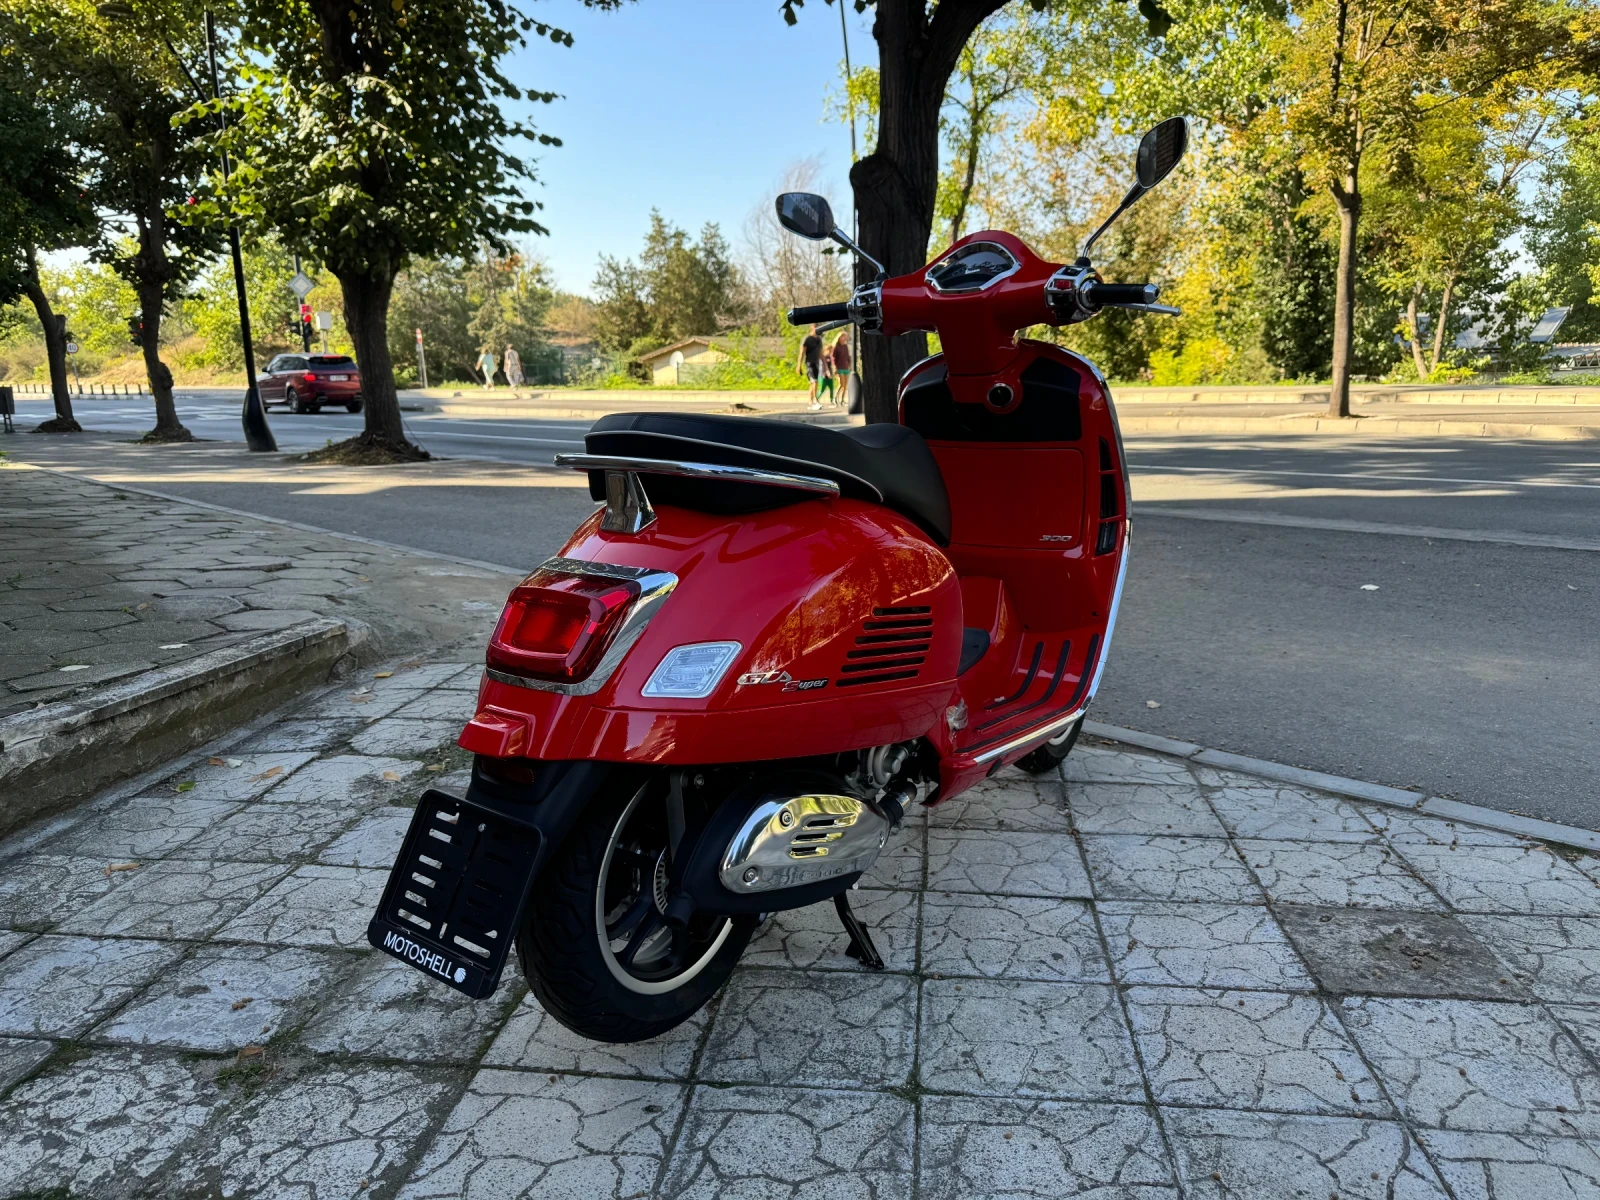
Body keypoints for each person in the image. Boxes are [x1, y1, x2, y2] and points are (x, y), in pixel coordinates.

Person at [798, 324, 823, 410]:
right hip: (809, 363)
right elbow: (802, 353)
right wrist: (799, 365)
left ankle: (810, 401)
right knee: (814, 381)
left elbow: (821, 354)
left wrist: (826, 367)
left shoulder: (819, 340)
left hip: (816, 363)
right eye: (815, 327)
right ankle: (815, 400)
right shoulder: (807, 339)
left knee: (813, 383)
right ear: (811, 328)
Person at [830, 332, 853, 408]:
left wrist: (850, 365)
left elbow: (848, 357)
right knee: (841, 384)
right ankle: (835, 398)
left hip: (845, 367)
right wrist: (834, 367)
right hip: (839, 368)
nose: (844, 338)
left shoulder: (845, 346)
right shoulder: (836, 347)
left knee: (845, 385)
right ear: (839, 338)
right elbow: (833, 358)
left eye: (845, 337)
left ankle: (842, 400)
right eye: (843, 336)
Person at [817, 341, 837, 406]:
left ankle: (831, 401)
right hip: (823, 375)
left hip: (829, 375)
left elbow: (831, 366)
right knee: (822, 389)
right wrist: (824, 373)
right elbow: (821, 366)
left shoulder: (830, 357)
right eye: (830, 350)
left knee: (831, 388)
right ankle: (816, 399)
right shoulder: (823, 357)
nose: (830, 352)